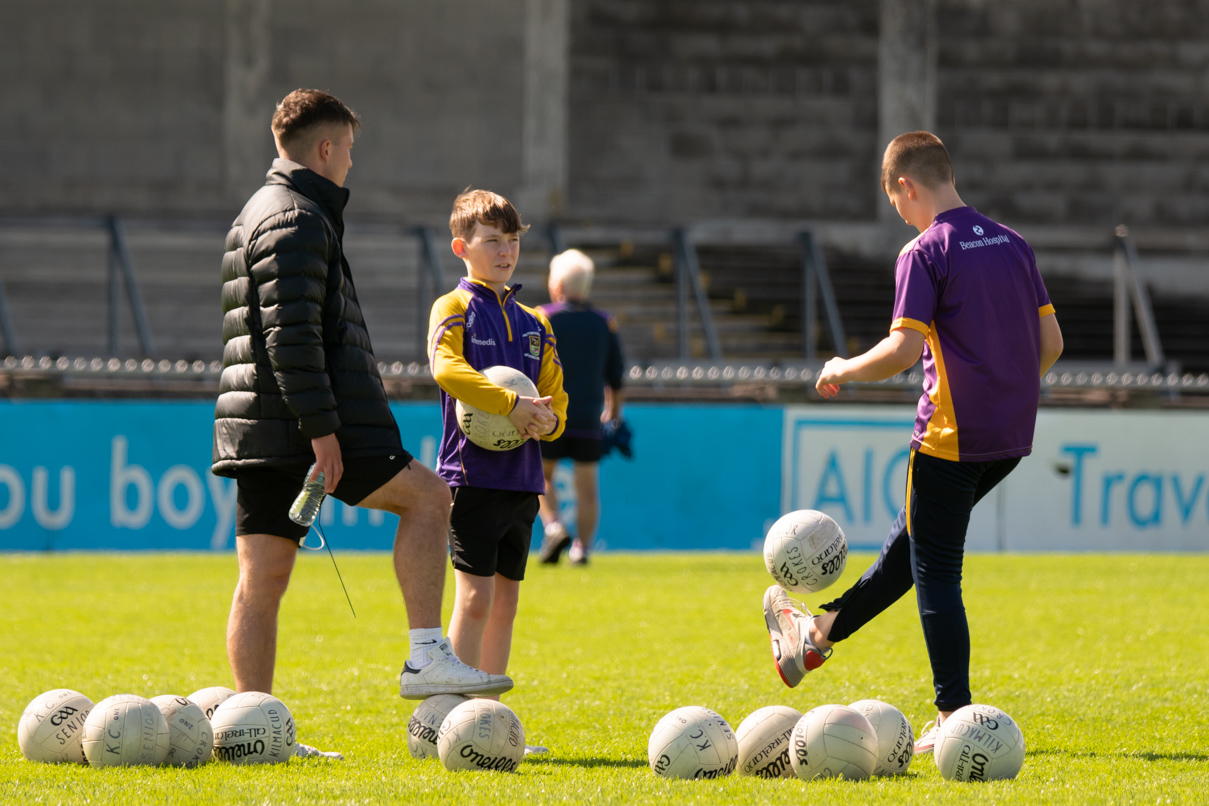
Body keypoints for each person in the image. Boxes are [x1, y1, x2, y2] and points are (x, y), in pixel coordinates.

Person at [212, 90, 513, 759]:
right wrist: (322, 429)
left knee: (260, 580)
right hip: (313, 421)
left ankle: (254, 732)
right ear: (325, 148)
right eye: (348, 147)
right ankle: (425, 655)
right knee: (430, 498)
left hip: (257, 423)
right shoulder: (297, 216)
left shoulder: (257, 211)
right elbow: (292, 336)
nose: (352, 159)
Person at [761, 131, 1064, 756]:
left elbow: (901, 351)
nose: (897, 211)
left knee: (935, 572)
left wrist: (840, 366)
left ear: (906, 185)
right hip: (1009, 437)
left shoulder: (925, 251)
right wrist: (1005, 393)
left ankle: (954, 715)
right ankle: (816, 632)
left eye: (894, 200)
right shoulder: (1014, 243)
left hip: (950, 438)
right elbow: (1052, 343)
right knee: (917, 544)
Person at [428, 190, 568, 749]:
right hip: (471, 476)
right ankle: (451, 722)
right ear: (463, 247)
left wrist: (546, 424)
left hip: (523, 481)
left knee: (506, 601)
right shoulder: (453, 307)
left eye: (512, 241)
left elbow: (558, 402)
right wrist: (511, 405)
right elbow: (446, 368)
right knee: (474, 598)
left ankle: (488, 725)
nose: (505, 251)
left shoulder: (535, 321)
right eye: (492, 241)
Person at [534, 249, 626, 565]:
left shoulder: (543, 317)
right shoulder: (604, 323)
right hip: (588, 416)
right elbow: (616, 376)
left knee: (540, 477)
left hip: (549, 413)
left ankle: (554, 526)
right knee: (587, 487)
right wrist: (614, 414)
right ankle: (582, 549)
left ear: (557, 284)